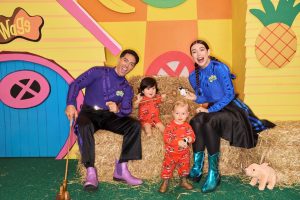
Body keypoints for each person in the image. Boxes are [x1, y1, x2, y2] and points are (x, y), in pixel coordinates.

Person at [184, 40, 275, 193]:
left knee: (208, 121)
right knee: (195, 120)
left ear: (208, 51)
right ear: (191, 55)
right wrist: (195, 98)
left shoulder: (219, 68)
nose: (198, 54)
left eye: (201, 50)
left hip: (230, 108)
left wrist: (210, 110)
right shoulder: (193, 76)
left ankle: (214, 173)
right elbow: (205, 96)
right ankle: (197, 166)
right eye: (194, 51)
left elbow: (228, 94)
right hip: (213, 108)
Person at [65, 49, 143, 191]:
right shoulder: (97, 72)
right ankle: (90, 171)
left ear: (133, 67)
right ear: (120, 59)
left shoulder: (127, 88)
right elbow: (75, 84)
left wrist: (118, 110)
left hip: (108, 116)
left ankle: (121, 169)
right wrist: (71, 103)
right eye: (126, 60)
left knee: (134, 125)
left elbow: (127, 109)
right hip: (89, 112)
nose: (127, 65)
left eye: (131, 64)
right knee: (84, 125)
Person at [159, 100, 195, 193]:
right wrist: (177, 142)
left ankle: (183, 181)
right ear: (173, 113)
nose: (180, 116)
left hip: (184, 154)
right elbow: (167, 138)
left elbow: (192, 136)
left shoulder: (187, 126)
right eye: (177, 113)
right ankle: (165, 182)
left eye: (183, 113)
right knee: (167, 168)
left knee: (184, 168)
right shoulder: (170, 126)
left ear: (187, 114)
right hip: (171, 154)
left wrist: (190, 139)